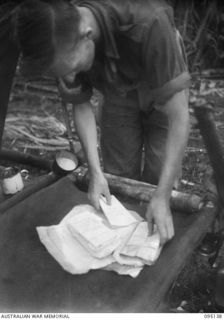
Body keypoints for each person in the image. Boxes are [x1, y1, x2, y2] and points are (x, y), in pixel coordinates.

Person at [3, 0, 190, 245]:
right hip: (116, 85)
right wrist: (95, 172)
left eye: (72, 68)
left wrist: (162, 196)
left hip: (159, 75)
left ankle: (159, 241)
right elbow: (80, 105)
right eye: (61, 73)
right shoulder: (61, 38)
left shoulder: (149, 24)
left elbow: (179, 118)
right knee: (118, 173)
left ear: (87, 36)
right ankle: (128, 241)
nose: (70, 78)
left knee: (159, 174)